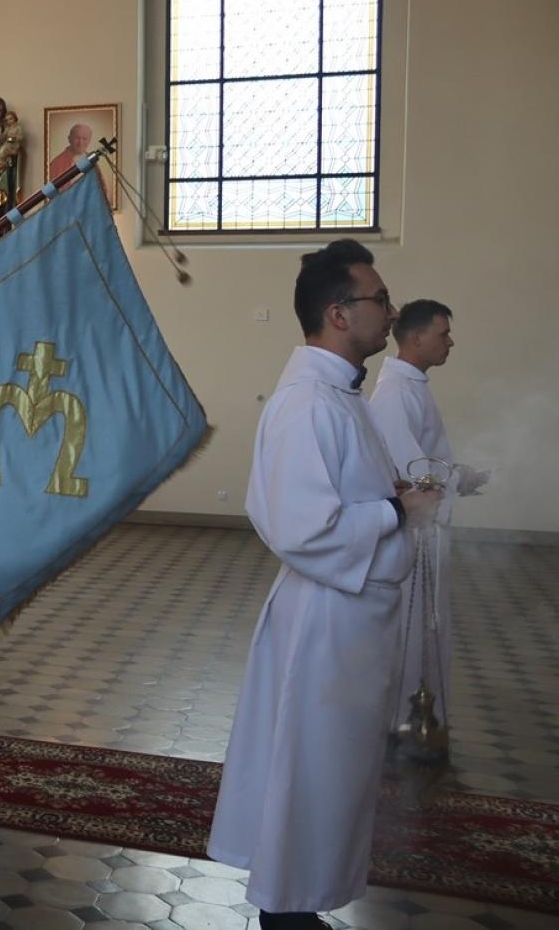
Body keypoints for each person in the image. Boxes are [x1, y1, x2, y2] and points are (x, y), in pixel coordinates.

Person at [208, 239, 440, 930]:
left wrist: (388, 492)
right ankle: (285, 913)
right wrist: (397, 509)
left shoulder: (340, 397)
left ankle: (297, 902)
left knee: (330, 779)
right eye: (380, 299)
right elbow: (299, 526)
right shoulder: (307, 402)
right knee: (310, 777)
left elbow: (339, 496)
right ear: (339, 313)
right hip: (326, 621)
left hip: (353, 615)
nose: (391, 311)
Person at [369, 299, 483, 730]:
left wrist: (457, 475)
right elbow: (408, 470)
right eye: (443, 333)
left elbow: (424, 462)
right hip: (414, 528)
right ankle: (402, 718)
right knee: (412, 628)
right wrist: (455, 479)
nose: (450, 341)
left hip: (428, 526)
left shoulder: (413, 384)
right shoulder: (396, 392)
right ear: (416, 338)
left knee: (426, 627)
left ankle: (419, 711)